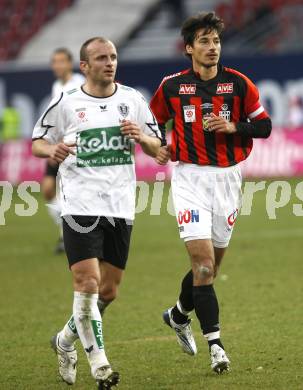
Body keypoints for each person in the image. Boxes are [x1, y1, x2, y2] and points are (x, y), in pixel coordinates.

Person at [32, 37, 161, 389]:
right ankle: (100, 364)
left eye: (114, 57)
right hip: (79, 204)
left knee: (108, 291)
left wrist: (143, 139)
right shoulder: (67, 103)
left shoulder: (132, 100)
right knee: (86, 283)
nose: (110, 62)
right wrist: (52, 150)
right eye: (101, 58)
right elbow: (37, 141)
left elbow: (159, 149)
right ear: (84, 66)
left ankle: (63, 341)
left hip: (120, 205)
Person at [150, 11, 271, 374]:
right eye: (204, 41)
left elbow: (264, 126)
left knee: (210, 269)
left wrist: (235, 126)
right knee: (202, 265)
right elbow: (151, 122)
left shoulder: (238, 84)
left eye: (216, 41)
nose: (212, 47)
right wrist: (156, 145)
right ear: (189, 48)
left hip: (229, 180)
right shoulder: (171, 87)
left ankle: (177, 314)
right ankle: (216, 346)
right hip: (189, 180)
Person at [42, 48, 85, 254]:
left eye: (61, 61)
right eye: (54, 62)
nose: (57, 65)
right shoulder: (56, 85)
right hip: (59, 146)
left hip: (75, 147)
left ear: (70, 63)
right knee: (49, 190)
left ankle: (69, 236)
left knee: (73, 193)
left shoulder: (78, 84)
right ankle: (65, 229)